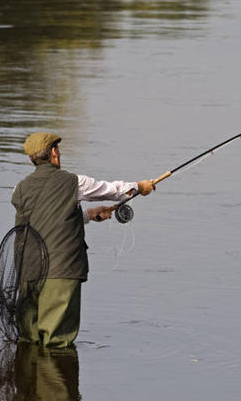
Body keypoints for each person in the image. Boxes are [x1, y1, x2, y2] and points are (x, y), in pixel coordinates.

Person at [11, 132, 153, 347]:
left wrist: (86, 215)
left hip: (26, 270)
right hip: (60, 271)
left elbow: (44, 218)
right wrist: (140, 187)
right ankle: (55, 378)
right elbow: (112, 191)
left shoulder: (19, 189)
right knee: (56, 342)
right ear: (54, 153)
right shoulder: (73, 182)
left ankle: (27, 378)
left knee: (29, 341)